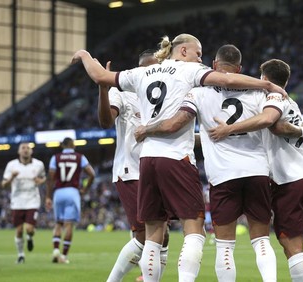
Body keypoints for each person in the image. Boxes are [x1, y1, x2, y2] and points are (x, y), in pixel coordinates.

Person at [71, 33, 286, 282]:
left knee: (153, 235)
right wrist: (267, 85)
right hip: (176, 158)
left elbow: (100, 77)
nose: (201, 58)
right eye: (198, 53)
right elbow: (225, 80)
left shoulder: (139, 74)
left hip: (147, 160)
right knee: (194, 230)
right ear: (184, 51)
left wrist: (85, 55)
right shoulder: (190, 71)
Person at [135, 44, 280, 282]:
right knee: (261, 240)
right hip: (257, 172)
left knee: (224, 246)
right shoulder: (258, 93)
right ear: (240, 68)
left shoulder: (198, 93)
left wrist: (147, 129)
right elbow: (268, 121)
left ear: (213, 66)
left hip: (223, 176)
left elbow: (177, 124)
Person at [207, 59, 303, 282]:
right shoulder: (293, 104)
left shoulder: (272, 98)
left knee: (292, 247)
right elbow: (290, 128)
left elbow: (274, 124)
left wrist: (228, 129)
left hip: (289, 181)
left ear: (265, 79)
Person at [98, 51, 170, 282]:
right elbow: (106, 121)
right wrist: (103, 87)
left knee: (163, 235)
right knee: (143, 235)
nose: (153, 73)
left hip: (157, 170)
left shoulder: (163, 94)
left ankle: (148, 277)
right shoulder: (123, 92)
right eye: (148, 69)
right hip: (132, 171)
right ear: (139, 70)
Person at [45, 137, 95, 264]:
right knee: (69, 225)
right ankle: (64, 256)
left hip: (58, 192)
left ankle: (55, 250)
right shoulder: (80, 157)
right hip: (72, 192)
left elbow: (50, 179)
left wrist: (48, 197)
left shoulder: (55, 158)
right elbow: (92, 174)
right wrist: (84, 189)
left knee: (58, 223)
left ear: (62, 146)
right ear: (72, 145)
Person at [2, 142, 46, 264]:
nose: (26, 150)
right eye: (23, 148)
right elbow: (4, 184)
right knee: (19, 230)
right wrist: (11, 177)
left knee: (29, 229)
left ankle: (30, 237)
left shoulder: (38, 164)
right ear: (19, 151)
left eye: (28, 148)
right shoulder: (12, 165)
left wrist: (40, 181)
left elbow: (44, 177)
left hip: (32, 200)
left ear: (31, 151)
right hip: (17, 201)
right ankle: (21, 255)